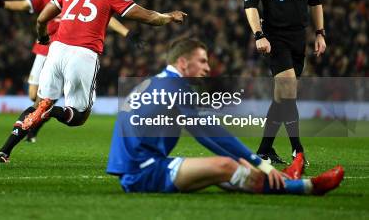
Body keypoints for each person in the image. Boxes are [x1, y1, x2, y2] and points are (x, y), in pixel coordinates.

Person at [0, 0, 186, 162]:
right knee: (79, 116)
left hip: (56, 50)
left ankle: (4, 151)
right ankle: (49, 112)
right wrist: (169, 16)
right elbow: (149, 17)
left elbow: (41, 19)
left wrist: (42, 38)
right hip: (83, 54)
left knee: (37, 104)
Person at [106, 38, 343, 195]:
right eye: (202, 61)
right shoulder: (174, 87)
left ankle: (286, 181)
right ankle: (303, 187)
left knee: (225, 170)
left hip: (136, 167)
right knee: (226, 164)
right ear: (182, 62)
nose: (208, 68)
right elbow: (209, 133)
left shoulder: (154, 82)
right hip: (143, 172)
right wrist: (259, 162)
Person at [0, 0, 142, 143]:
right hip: (49, 46)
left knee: (44, 100)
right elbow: (25, 5)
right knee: (35, 96)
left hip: (61, 47)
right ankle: (43, 116)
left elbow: (104, 17)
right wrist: (3, 3)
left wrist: (126, 32)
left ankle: (31, 130)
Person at [244, 0, 326, 165]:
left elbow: (316, 3)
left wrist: (320, 32)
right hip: (274, 38)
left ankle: (264, 149)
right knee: (289, 85)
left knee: (283, 97)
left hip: (298, 38)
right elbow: (249, 5)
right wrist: (259, 34)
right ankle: (297, 149)